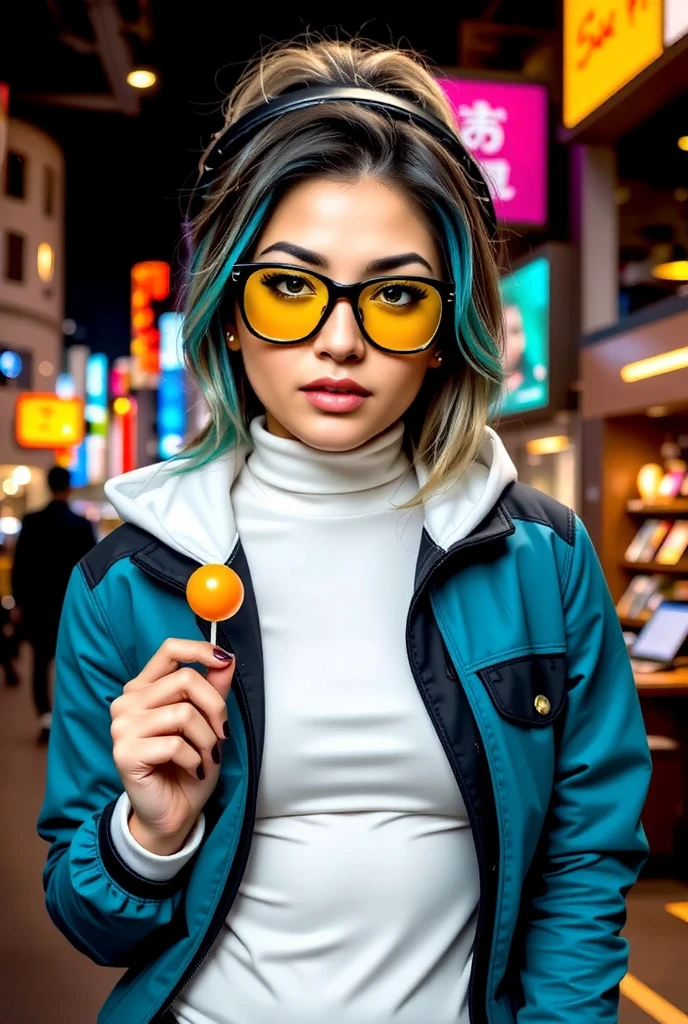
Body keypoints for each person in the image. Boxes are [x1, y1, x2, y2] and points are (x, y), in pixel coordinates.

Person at [37, 39, 651, 1024]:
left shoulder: (542, 557)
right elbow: (89, 919)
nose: (340, 338)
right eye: (290, 286)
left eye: (395, 295)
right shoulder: (128, 580)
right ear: (229, 310)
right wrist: (147, 831)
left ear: (449, 325)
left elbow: (585, 858)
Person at [12, 465, 96, 744]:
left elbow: (20, 566)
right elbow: (92, 571)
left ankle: (45, 718)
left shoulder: (32, 521)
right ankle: (68, 721)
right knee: (70, 663)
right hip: (70, 607)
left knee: (39, 663)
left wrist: (19, 603)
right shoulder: (82, 525)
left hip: (38, 606)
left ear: (48, 486)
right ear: (69, 487)